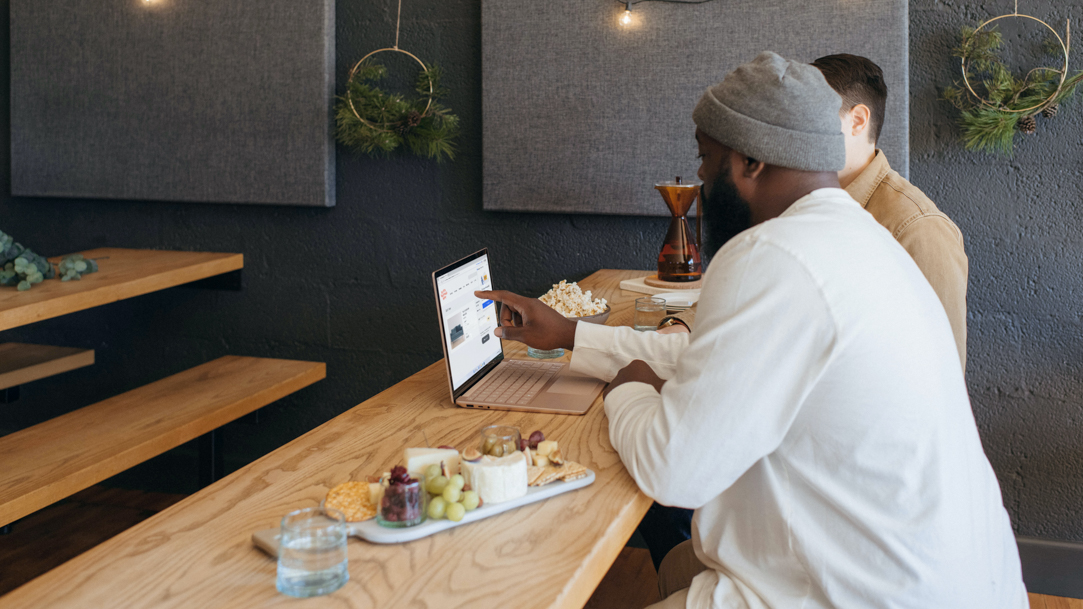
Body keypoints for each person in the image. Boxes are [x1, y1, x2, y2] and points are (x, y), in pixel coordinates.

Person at [477, 52, 1025, 609]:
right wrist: (573, 335)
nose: (698, 177)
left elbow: (673, 471)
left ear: (749, 163)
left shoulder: (770, 252)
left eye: (705, 157)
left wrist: (630, 390)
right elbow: (711, 357)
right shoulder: (865, 237)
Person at [812, 54, 969, 369]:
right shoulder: (808, 206)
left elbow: (941, 372)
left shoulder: (918, 228)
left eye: (810, 119)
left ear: (857, 120)